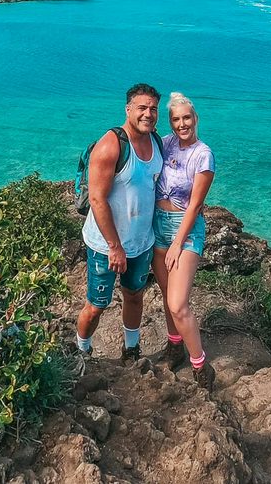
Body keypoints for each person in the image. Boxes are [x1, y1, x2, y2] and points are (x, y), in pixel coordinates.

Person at [76, 83, 163, 361]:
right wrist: (115, 247)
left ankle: (131, 348)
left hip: (141, 242)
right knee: (97, 305)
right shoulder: (111, 146)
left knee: (135, 295)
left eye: (153, 108)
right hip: (106, 245)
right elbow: (97, 200)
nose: (148, 114)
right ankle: (82, 350)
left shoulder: (156, 142)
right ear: (128, 110)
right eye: (141, 108)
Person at [150, 91, 216, 389]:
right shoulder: (164, 144)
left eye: (186, 118)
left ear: (196, 118)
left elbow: (194, 206)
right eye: (175, 119)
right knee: (166, 295)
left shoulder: (204, 155)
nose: (181, 124)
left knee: (178, 303)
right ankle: (174, 344)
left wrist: (178, 242)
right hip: (157, 224)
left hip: (184, 229)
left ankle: (201, 366)